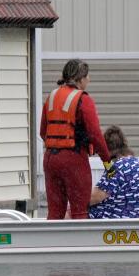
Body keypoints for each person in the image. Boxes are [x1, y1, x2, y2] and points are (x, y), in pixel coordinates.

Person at [41, 59, 111, 219]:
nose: (89, 80)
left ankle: (52, 243)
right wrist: (108, 163)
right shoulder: (83, 99)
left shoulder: (51, 96)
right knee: (79, 211)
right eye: (87, 76)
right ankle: (81, 244)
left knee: (55, 212)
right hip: (74, 160)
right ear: (80, 79)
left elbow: (42, 131)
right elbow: (95, 135)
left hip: (50, 159)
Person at [89, 125, 139, 219]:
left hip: (124, 218)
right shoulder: (136, 163)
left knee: (75, 212)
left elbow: (95, 197)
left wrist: (72, 200)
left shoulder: (117, 168)